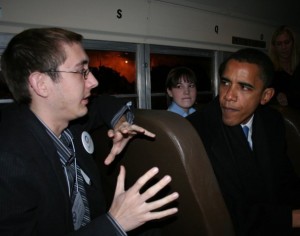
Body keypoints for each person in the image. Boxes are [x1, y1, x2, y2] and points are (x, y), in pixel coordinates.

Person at [0, 27, 179, 236]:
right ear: (41, 84)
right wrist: (114, 224)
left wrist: (120, 123)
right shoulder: (10, 161)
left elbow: (103, 104)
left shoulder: (68, 117)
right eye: (81, 71)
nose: (94, 81)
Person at [187, 48, 300, 236]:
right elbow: (226, 212)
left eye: (244, 87)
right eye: (225, 83)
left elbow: (285, 178)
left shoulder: (273, 121)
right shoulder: (198, 131)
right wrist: (293, 218)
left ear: (266, 96)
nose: (228, 96)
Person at [269, 25, 300, 107]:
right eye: (279, 44)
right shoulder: (270, 71)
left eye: (287, 42)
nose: (284, 47)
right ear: (274, 47)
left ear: (293, 43)